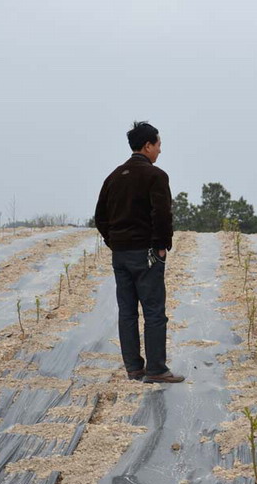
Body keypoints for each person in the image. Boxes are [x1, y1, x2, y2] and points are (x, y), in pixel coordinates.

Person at [94, 121, 184, 384]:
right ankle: (156, 369)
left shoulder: (114, 176)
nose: (160, 150)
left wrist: (114, 241)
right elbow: (162, 215)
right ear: (147, 146)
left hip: (120, 254)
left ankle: (133, 369)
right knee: (154, 311)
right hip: (146, 253)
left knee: (127, 311)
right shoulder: (155, 176)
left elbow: (100, 217)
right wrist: (161, 246)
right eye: (158, 145)